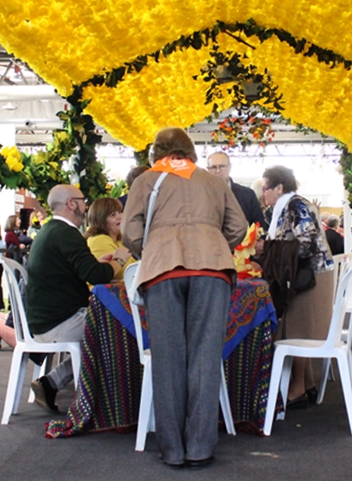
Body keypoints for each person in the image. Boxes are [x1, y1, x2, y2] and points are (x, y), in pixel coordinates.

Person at [122, 128, 247, 469]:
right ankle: (200, 449)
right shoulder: (213, 180)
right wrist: (211, 242)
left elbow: (131, 232)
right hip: (213, 271)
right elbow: (238, 227)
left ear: (156, 151)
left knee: (168, 359)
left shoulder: (146, 180)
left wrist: (154, 249)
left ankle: (173, 450)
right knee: (205, 357)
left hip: (163, 271)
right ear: (190, 150)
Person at [27, 184, 120, 414]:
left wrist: (101, 264)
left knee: (110, 326)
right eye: (82, 199)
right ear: (71, 204)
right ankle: (112, 404)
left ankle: (52, 383)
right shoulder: (67, 234)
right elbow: (96, 277)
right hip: (60, 323)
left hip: (45, 320)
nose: (86, 205)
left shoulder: (50, 231)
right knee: (119, 328)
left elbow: (78, 270)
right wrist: (120, 261)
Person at [259, 164, 334, 410]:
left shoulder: (296, 206)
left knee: (295, 329)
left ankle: (297, 388)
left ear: (279, 187)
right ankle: (307, 384)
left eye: (266, 188)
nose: (264, 194)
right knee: (294, 326)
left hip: (311, 278)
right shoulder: (287, 207)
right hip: (304, 276)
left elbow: (306, 245)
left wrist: (267, 249)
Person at [206, 151, 265, 227]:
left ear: (230, 167)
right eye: (213, 167)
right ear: (208, 170)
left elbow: (259, 226)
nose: (218, 171)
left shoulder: (247, 195)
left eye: (222, 166)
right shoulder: (201, 196)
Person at [84, 197, 131, 279]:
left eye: (120, 212)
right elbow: (119, 273)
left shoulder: (119, 240)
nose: (119, 217)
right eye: (113, 215)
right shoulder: (98, 240)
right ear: (101, 220)